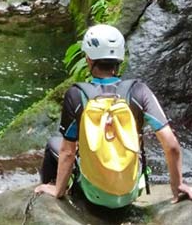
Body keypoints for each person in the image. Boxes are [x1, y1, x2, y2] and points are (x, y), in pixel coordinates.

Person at [34, 24, 192, 205]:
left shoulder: (77, 95)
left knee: (54, 144)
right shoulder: (139, 91)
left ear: (88, 59)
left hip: (93, 194)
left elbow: (68, 152)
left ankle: (55, 194)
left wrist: (58, 191)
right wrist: (177, 185)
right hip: (130, 193)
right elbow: (171, 145)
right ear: (119, 59)